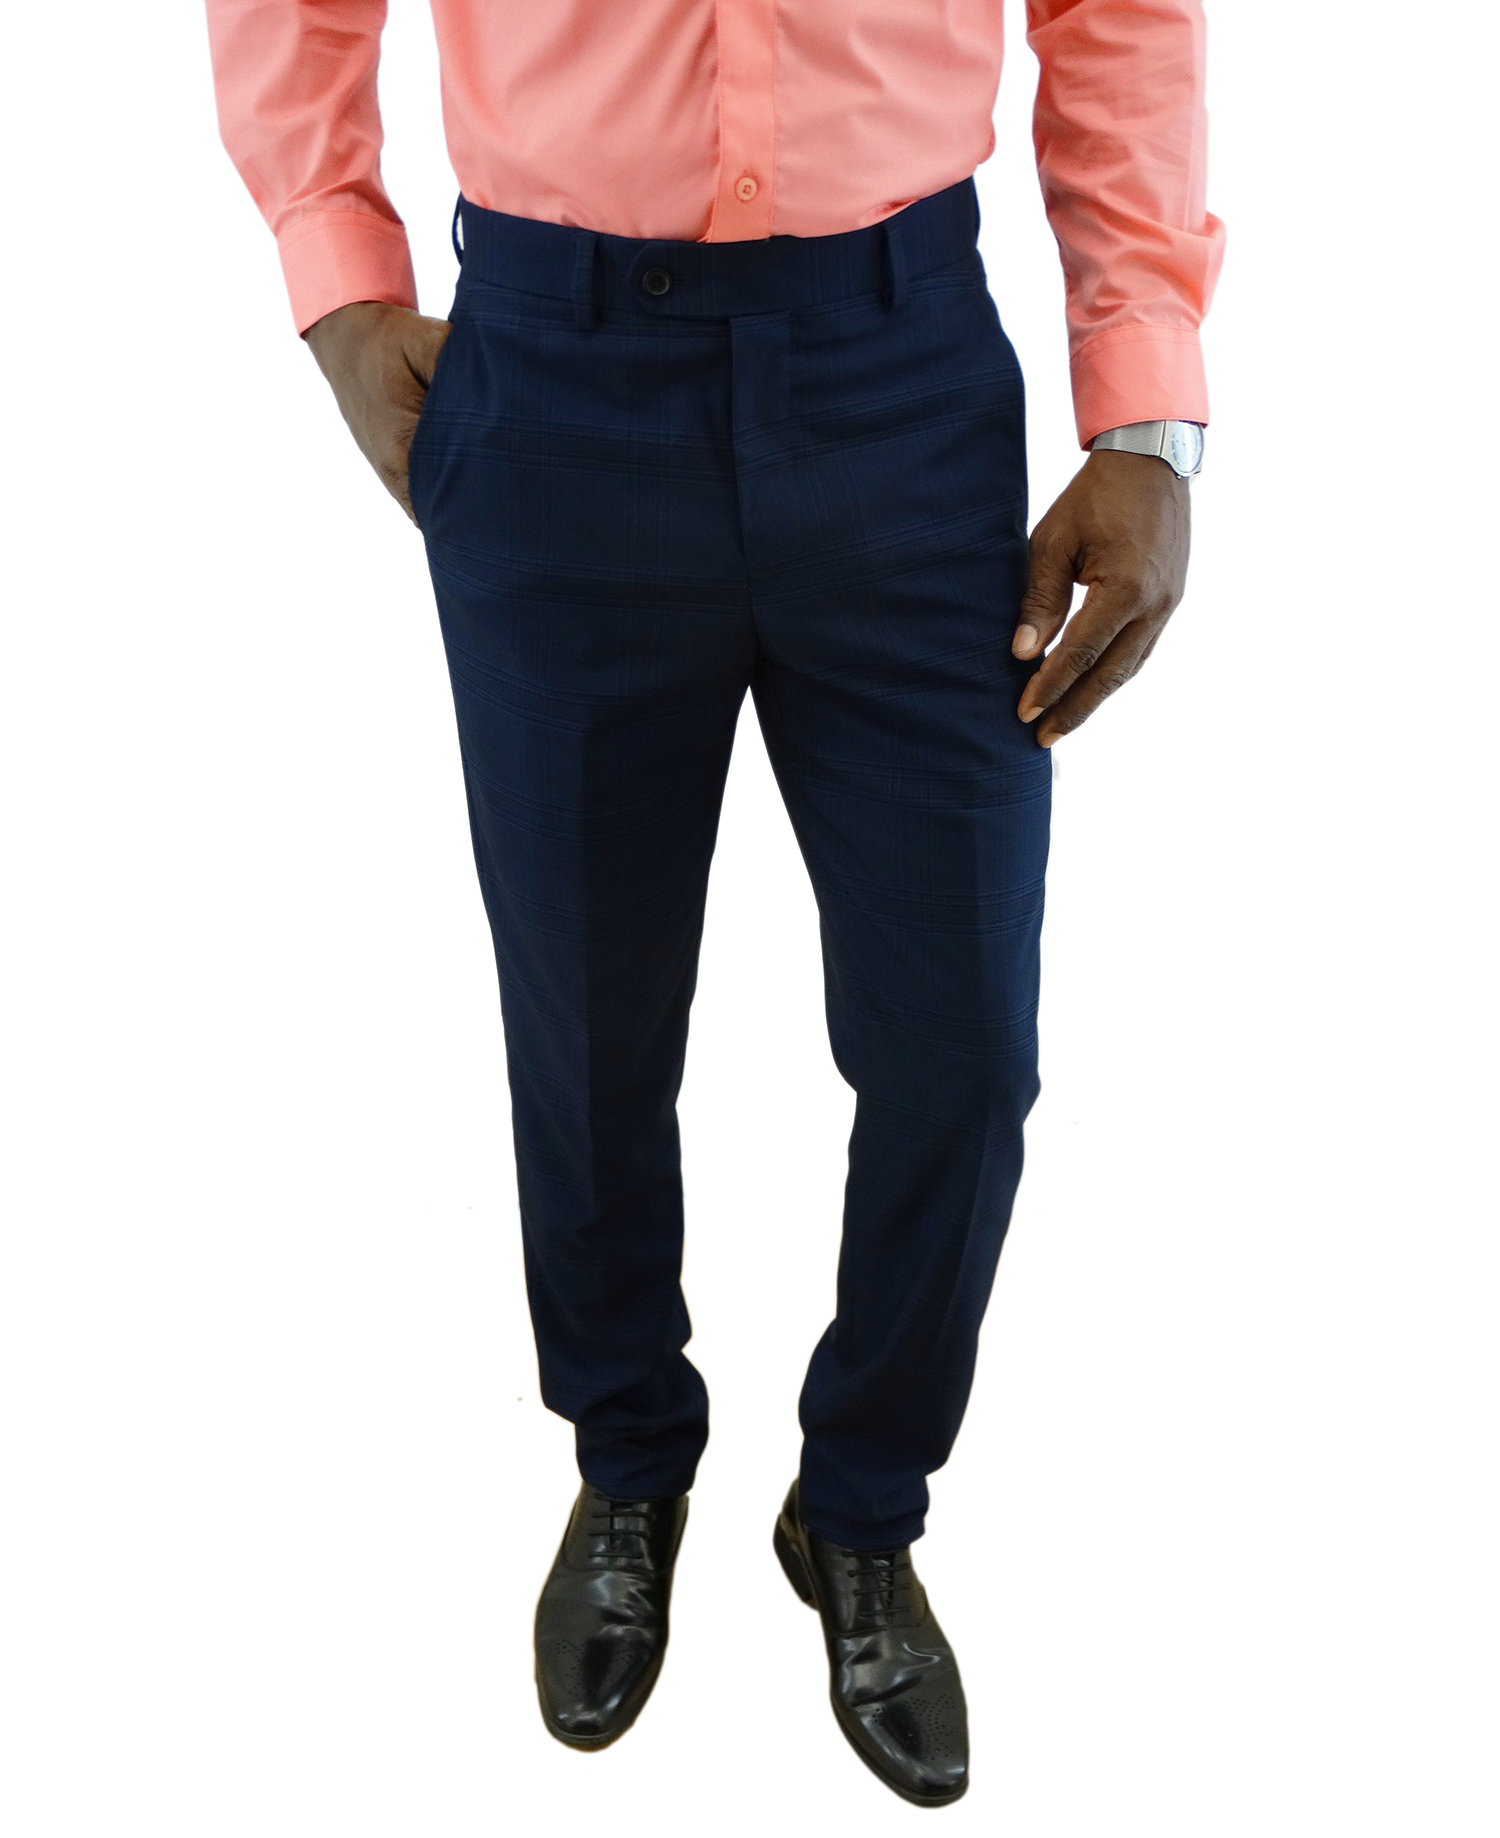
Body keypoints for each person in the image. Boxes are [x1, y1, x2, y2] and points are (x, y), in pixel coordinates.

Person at [205, 0, 1223, 1806]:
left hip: (904, 381)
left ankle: (862, 1506)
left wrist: (1147, 413)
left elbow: (1117, 13)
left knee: (963, 1049)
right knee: (586, 1021)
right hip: (553, 379)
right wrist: (340, 280)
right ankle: (626, 1458)